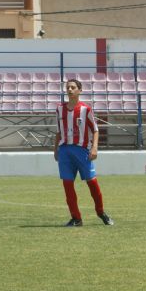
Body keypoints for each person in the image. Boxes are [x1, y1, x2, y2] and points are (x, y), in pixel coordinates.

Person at [54, 79, 114, 227]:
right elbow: (58, 131)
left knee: (92, 183)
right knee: (68, 185)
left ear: (79, 90)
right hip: (65, 151)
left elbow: (95, 129)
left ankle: (101, 212)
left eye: (73, 87)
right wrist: (55, 149)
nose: (69, 90)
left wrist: (94, 148)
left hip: (82, 151)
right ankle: (76, 218)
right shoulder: (59, 109)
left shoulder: (85, 109)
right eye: (68, 87)